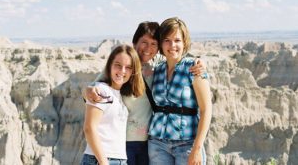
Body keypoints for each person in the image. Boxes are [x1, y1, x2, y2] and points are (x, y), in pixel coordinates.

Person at [83, 21, 206, 165]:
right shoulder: (124, 68)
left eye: (154, 43)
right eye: (144, 42)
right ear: (135, 42)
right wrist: (86, 91)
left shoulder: (157, 67)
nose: (148, 48)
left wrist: (199, 62)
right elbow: (96, 88)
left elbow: (176, 56)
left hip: (148, 143)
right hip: (122, 143)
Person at [148, 17, 212, 165]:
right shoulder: (157, 70)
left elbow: (206, 110)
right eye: (167, 40)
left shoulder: (194, 69)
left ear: (184, 42)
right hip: (157, 144)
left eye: (177, 40)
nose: (172, 45)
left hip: (187, 144)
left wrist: (197, 148)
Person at [81, 44, 145, 165]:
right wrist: (104, 162)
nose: (122, 71)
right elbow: (89, 128)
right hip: (100, 160)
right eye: (118, 65)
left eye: (128, 67)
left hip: (119, 160)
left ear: (133, 72)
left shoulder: (118, 95)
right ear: (110, 65)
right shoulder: (101, 90)